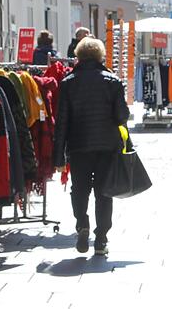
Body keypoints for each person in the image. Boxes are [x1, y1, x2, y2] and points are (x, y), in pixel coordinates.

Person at [53, 37, 130, 256]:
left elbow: (62, 122)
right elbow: (121, 116)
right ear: (100, 56)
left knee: (80, 190)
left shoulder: (68, 82)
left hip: (78, 146)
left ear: (78, 55)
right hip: (107, 146)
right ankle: (101, 239)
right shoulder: (112, 81)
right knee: (104, 192)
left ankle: (82, 224)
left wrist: (58, 157)